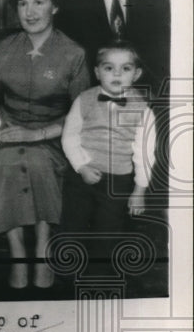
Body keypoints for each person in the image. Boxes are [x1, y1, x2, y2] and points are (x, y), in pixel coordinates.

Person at [0, 0, 89, 290]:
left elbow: (81, 115)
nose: (29, 12)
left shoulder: (75, 54)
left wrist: (38, 135)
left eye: (38, 2)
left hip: (55, 133)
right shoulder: (3, 48)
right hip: (8, 128)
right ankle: (18, 252)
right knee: (4, 161)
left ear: (54, 7)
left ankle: (43, 248)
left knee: (38, 160)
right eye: (22, 4)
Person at [61, 42, 156, 248]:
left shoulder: (143, 109)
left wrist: (139, 192)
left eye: (126, 69)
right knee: (71, 229)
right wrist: (82, 166)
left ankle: (99, 276)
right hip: (81, 176)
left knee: (108, 234)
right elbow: (69, 137)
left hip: (118, 181)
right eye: (109, 68)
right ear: (97, 72)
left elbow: (145, 154)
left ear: (136, 74)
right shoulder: (84, 99)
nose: (117, 74)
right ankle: (68, 276)